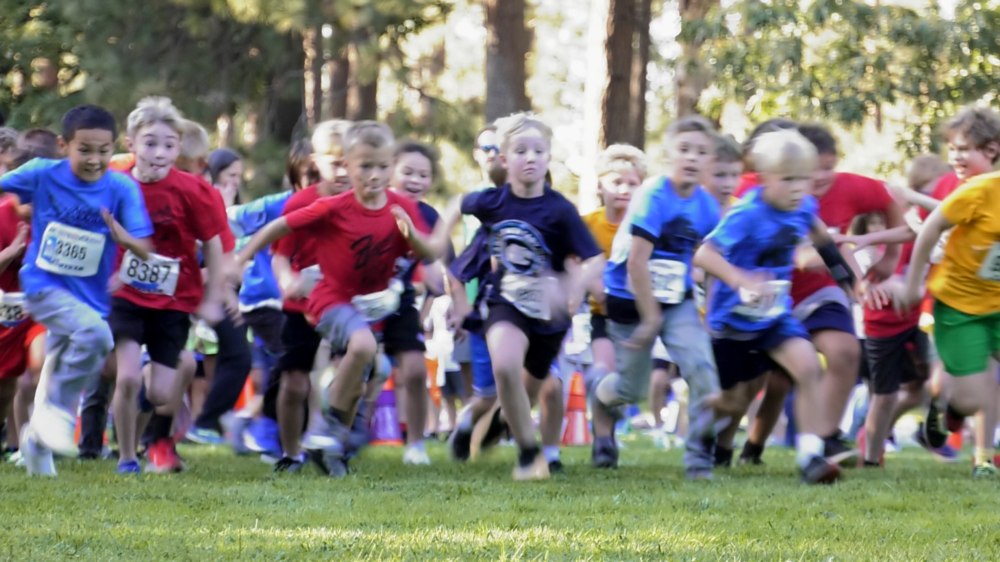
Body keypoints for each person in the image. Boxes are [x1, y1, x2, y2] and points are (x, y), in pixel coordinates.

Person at [233, 121, 444, 477]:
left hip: (364, 302)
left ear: (390, 165)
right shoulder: (329, 206)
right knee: (316, 371)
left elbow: (427, 251)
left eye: (381, 166)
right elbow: (277, 233)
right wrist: (240, 261)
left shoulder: (398, 207)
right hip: (320, 299)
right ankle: (301, 444)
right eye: (364, 166)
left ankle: (332, 446)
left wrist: (413, 235)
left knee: (364, 376)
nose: (373, 175)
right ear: (343, 164)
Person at [437, 113, 605, 481]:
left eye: (538, 151)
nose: (530, 158)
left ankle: (481, 426)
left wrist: (571, 287)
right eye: (520, 151)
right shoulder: (492, 202)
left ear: (548, 158)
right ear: (504, 159)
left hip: (550, 316)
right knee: (504, 365)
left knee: (525, 392)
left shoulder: (560, 209)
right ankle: (529, 455)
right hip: (506, 302)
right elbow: (455, 205)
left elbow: (595, 260)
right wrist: (439, 241)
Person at [736, 123, 905, 467]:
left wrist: (888, 258)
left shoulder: (850, 187)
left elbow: (893, 202)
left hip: (819, 292)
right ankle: (747, 447)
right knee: (775, 381)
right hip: (768, 296)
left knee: (844, 351)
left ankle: (825, 440)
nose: (820, 177)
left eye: (828, 167)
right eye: (811, 171)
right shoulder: (753, 189)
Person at [694, 128, 856, 484]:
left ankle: (810, 457)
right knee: (733, 403)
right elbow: (704, 254)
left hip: (774, 318)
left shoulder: (803, 206)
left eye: (805, 179)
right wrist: (740, 280)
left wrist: (847, 281)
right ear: (766, 179)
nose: (798, 188)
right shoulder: (748, 213)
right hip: (733, 321)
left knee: (808, 367)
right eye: (788, 180)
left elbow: (822, 239)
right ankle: (701, 420)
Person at [0, 105, 154, 476]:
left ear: (114, 147)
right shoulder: (42, 173)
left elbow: (145, 248)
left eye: (103, 151)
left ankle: (36, 444)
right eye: (84, 149)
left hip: (89, 296)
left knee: (55, 364)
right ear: (63, 144)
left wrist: (121, 237)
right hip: (41, 285)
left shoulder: (120, 187)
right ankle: (57, 416)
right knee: (97, 337)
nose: (94, 159)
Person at [596, 117, 731, 479]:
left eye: (701, 152)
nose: (691, 158)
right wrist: (651, 317)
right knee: (631, 389)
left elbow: (707, 259)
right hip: (629, 295)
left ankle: (699, 457)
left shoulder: (707, 207)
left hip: (675, 300)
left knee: (704, 372)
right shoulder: (654, 196)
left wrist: (710, 312)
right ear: (669, 154)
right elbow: (637, 263)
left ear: (710, 161)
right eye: (684, 150)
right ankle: (599, 393)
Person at [107, 97, 231, 474]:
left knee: (160, 391)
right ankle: (128, 458)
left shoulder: (194, 191)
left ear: (178, 147)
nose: (159, 153)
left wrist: (212, 297)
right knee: (127, 376)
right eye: (149, 143)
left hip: (175, 300)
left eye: (168, 145)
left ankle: (135, 420)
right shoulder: (115, 185)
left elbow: (214, 241)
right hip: (124, 294)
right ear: (131, 144)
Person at [896, 106, 1000, 478]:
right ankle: (950, 410)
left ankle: (984, 459)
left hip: (997, 304)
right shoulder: (978, 191)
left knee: (990, 383)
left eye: (963, 149)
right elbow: (930, 227)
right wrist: (912, 283)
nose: (955, 156)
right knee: (975, 393)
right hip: (961, 305)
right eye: (952, 149)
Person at [257, 120, 352, 472]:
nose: (343, 172)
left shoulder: (368, 203)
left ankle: (334, 446)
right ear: (316, 162)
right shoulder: (301, 203)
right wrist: (288, 280)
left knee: (350, 376)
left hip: (348, 306)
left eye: (350, 163)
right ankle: (290, 452)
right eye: (335, 163)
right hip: (302, 306)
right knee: (295, 382)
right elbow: (279, 255)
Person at [228, 139, 317, 456]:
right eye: (311, 177)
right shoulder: (276, 206)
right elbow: (228, 220)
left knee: (302, 367)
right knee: (292, 363)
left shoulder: (335, 209)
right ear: (295, 178)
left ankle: (257, 423)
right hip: (264, 301)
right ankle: (265, 428)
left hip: (302, 305)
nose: (318, 185)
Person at [0, 148, 48, 463]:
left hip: (41, 307)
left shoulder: (57, 215)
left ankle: (35, 442)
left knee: (38, 366)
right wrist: (12, 251)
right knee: (5, 385)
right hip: (6, 308)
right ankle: (12, 442)